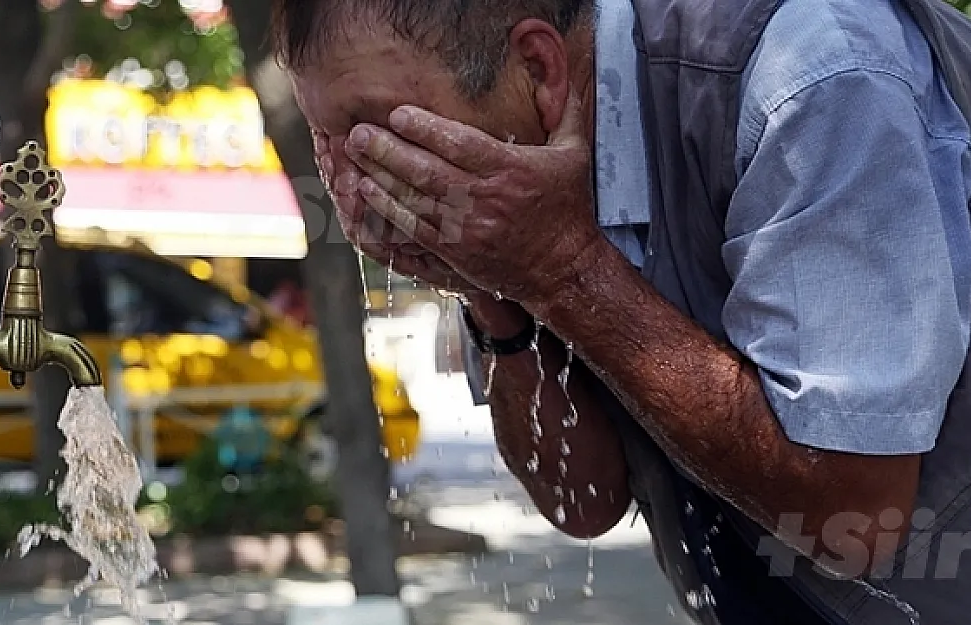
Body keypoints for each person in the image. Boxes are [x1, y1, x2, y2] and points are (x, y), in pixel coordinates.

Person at [277, 0, 971, 622]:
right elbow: (583, 501)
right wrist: (493, 292)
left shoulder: (814, 70)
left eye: (372, 135)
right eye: (324, 141)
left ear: (538, 67)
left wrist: (565, 268)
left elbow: (852, 510)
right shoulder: (513, 188)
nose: (348, 189)